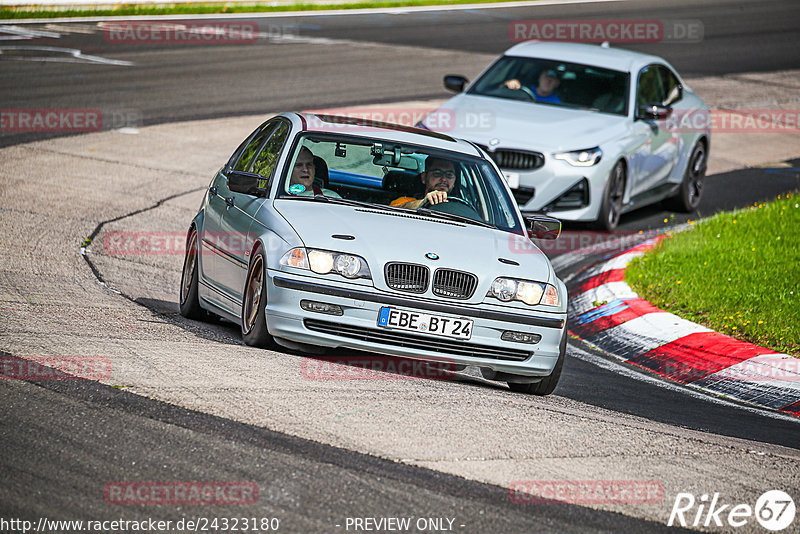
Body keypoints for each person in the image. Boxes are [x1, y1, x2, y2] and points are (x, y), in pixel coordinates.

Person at [390, 156, 457, 209]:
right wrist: (423, 202)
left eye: (449, 175)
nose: (444, 179)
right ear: (424, 177)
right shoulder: (407, 201)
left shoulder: (460, 207)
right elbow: (392, 210)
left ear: (455, 181)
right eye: (437, 173)